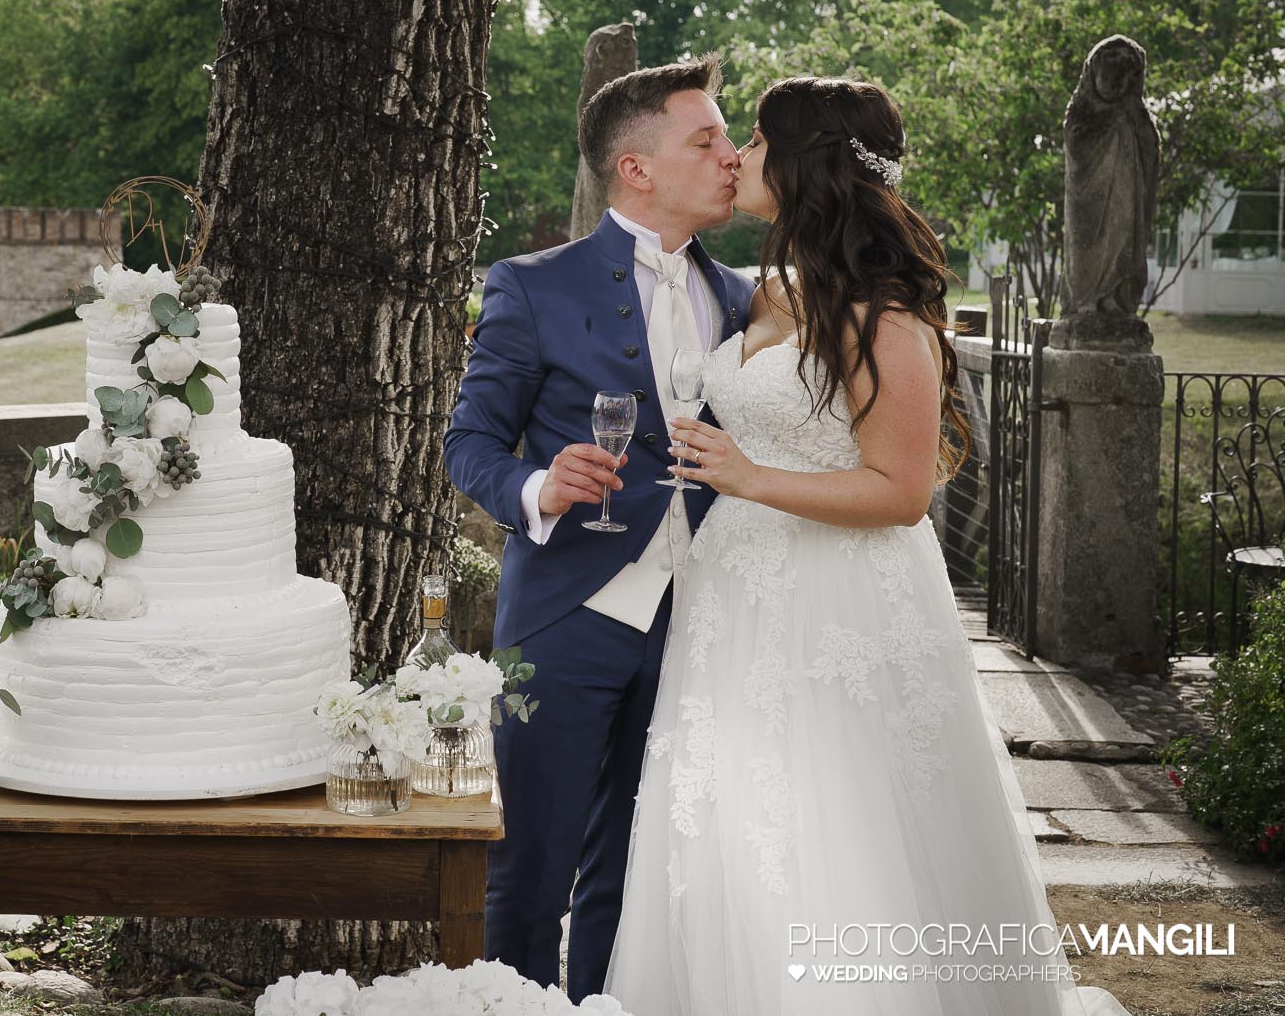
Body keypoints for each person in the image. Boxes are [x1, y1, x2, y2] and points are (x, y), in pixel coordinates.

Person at [605, 76, 1129, 1015]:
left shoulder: (882, 316)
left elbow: (899, 492)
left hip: (838, 603)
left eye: (757, 142)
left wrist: (747, 475)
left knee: (830, 825)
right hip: (734, 602)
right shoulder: (769, 295)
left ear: (805, 165)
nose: (740, 157)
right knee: (725, 817)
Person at [444, 53, 755, 1002]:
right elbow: (471, 444)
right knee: (527, 871)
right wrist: (541, 483)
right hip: (566, 616)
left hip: (703, 623)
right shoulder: (531, 285)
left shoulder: (746, 298)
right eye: (707, 140)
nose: (732, 156)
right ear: (637, 168)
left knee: (639, 869)